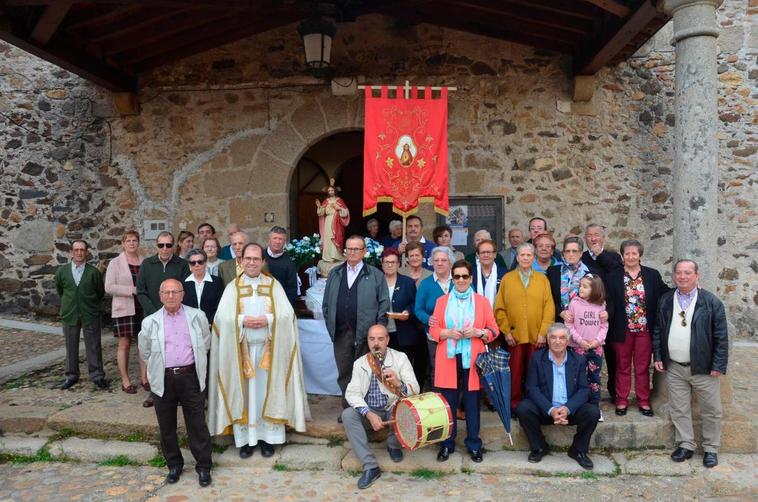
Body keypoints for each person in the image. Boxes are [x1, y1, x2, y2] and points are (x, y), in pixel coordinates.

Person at [209, 243, 309, 457]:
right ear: (241, 260)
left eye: (256, 259)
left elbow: (287, 316)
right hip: (241, 355)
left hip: (268, 354)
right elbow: (221, 319)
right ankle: (245, 440)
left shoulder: (273, 286)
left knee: (265, 393)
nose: (252, 262)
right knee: (245, 396)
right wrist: (242, 320)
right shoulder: (232, 288)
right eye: (248, 258)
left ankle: (267, 439)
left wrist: (268, 319)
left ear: (263, 261)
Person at [653, 259, 728, 468]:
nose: (683, 276)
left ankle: (711, 448)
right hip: (675, 366)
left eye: (687, 273)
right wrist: (658, 356)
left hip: (704, 367)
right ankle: (686, 444)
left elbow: (721, 336)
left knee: (711, 410)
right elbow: (658, 329)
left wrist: (718, 365)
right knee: (679, 408)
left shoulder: (711, 302)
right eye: (679, 273)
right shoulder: (666, 300)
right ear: (674, 275)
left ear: (697, 276)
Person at [137, 279, 212, 487]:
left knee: (197, 423)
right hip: (163, 377)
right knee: (166, 425)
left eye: (175, 292)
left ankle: (204, 466)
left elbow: (205, 343)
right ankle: (174, 465)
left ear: (182, 294)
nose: (171, 296)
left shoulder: (197, 317)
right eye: (166, 292)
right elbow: (145, 351)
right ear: (160, 296)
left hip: (190, 376)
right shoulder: (150, 322)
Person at [430, 259, 499, 463]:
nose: (460, 280)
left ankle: (474, 444)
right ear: (453, 277)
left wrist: (479, 332)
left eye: (465, 276)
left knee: (471, 403)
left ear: (471, 278)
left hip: (473, 357)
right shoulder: (442, 302)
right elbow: (433, 330)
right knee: (448, 404)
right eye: (457, 276)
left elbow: (494, 330)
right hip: (448, 357)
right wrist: (446, 332)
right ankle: (446, 444)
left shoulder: (482, 302)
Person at [342, 325, 420, 489]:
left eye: (380, 339)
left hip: (393, 408)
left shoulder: (400, 358)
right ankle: (370, 466)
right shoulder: (360, 363)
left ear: (388, 340)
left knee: (403, 408)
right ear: (368, 341)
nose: (376, 343)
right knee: (348, 415)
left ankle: (393, 444)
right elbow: (352, 393)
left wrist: (398, 382)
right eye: (372, 339)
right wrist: (369, 414)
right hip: (371, 411)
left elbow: (415, 389)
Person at [516, 323, 600, 470]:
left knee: (593, 412)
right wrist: (551, 409)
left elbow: (583, 390)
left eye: (562, 338)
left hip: (569, 411)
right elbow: (532, 388)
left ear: (567, 341)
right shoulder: (537, 358)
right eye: (553, 337)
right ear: (548, 340)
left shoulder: (578, 360)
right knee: (523, 408)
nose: (557, 341)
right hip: (546, 409)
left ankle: (578, 450)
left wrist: (567, 409)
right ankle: (539, 447)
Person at [323, 235, 390, 410]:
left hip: (366, 335)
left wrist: (377, 332)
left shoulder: (375, 275)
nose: (352, 252)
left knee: (366, 373)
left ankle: (367, 412)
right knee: (344, 374)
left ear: (364, 252)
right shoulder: (335, 273)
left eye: (356, 249)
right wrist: (332, 329)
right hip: (341, 333)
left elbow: (384, 304)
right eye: (349, 249)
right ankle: (348, 411)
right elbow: (326, 306)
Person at [605, 239, 669, 417]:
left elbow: (665, 291)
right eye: (627, 253)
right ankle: (622, 399)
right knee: (622, 366)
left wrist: (688, 289)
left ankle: (643, 400)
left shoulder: (652, 275)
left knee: (642, 367)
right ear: (623, 255)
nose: (631, 256)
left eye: (634, 253)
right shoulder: (612, 276)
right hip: (621, 329)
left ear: (640, 255)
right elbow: (606, 300)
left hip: (644, 330)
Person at [494, 242, 555, 410]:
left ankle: (535, 404)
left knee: (535, 372)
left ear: (533, 258)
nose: (526, 258)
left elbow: (549, 308)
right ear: (517, 257)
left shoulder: (542, 280)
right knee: (515, 372)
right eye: (522, 255)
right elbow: (499, 308)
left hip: (537, 336)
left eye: (529, 255)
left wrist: (543, 333)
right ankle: (514, 404)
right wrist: (506, 332)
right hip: (515, 335)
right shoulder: (508, 279)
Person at [136, 231, 190, 406]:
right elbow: (141, 291)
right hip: (153, 317)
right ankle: (155, 392)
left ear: (174, 246)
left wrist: (173, 308)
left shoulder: (182, 264)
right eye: (161, 245)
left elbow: (184, 290)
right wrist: (154, 313)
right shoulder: (147, 264)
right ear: (156, 246)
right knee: (155, 355)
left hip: (176, 316)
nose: (165, 248)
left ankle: (179, 394)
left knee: (176, 354)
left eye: (168, 245)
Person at [55, 239, 107, 390]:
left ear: (87, 252)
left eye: (82, 250)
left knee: (93, 345)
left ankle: (97, 375)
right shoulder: (62, 272)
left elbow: (99, 292)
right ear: (71, 252)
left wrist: (87, 302)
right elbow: (60, 290)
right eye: (76, 250)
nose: (79, 253)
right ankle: (71, 375)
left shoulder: (93, 273)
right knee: (71, 345)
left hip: (90, 313)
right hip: (70, 313)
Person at [105, 230, 147, 394]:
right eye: (128, 240)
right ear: (123, 243)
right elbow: (109, 287)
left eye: (134, 240)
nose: (131, 243)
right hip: (124, 308)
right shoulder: (115, 263)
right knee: (124, 344)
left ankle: (145, 378)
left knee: (143, 345)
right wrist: (132, 290)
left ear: (138, 243)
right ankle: (125, 380)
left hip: (142, 308)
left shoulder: (145, 261)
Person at [566, 274, 608, 418]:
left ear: (595, 289)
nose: (580, 289)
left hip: (595, 349)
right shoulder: (574, 304)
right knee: (577, 378)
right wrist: (580, 341)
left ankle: (594, 408)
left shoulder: (601, 305)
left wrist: (597, 341)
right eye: (580, 286)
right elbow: (569, 325)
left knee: (594, 378)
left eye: (585, 286)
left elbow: (604, 326)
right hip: (577, 348)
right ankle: (577, 407)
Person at [381, 248, 424, 385]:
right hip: (383, 332)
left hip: (404, 333)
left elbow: (414, 303)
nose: (389, 265)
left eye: (393, 262)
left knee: (404, 368)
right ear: (382, 264)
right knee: (385, 368)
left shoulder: (407, 282)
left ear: (399, 264)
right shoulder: (376, 282)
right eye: (386, 262)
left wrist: (407, 312)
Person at [414, 246, 454, 385]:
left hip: (457, 334)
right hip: (434, 336)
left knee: (456, 370)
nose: (440, 263)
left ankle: (457, 404)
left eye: (444, 260)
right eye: (436, 260)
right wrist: (428, 319)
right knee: (436, 370)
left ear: (450, 262)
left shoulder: (459, 281)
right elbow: (418, 309)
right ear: (431, 262)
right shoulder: (426, 284)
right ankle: (439, 403)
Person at [546, 236, 590, 322]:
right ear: (563, 253)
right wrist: (561, 312)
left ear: (581, 253)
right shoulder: (552, 271)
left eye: (574, 251)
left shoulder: (590, 272)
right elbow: (548, 299)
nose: (571, 254)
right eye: (567, 251)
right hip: (560, 322)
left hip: (583, 321)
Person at [182, 249, 224, 328]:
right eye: (193, 263)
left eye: (200, 262)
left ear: (205, 263)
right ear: (189, 266)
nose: (197, 265)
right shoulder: (183, 283)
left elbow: (220, 305)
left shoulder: (217, 282)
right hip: (188, 327)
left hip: (212, 326)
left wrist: (211, 322)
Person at [317, 178, 350, 262]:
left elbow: (345, 212)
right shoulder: (326, 201)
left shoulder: (339, 200)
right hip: (328, 221)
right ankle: (328, 257)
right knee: (328, 237)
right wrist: (319, 206)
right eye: (329, 190)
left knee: (337, 237)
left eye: (332, 190)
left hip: (337, 221)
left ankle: (337, 256)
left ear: (335, 191)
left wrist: (338, 208)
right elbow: (321, 213)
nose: (330, 192)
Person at [264, 226, 298, 305]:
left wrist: (286, 307)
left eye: (280, 239)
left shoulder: (289, 263)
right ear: (269, 240)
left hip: (281, 304)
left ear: (284, 242)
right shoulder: (260, 256)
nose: (277, 241)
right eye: (275, 238)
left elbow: (292, 289)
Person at [471, 239, 505, 309]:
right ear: (477, 255)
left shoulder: (504, 274)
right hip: (475, 316)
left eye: (489, 252)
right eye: (483, 252)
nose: (486, 255)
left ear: (495, 255)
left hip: (498, 316)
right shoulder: (470, 274)